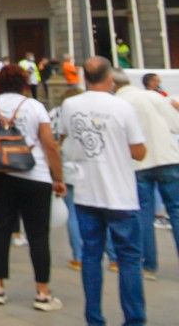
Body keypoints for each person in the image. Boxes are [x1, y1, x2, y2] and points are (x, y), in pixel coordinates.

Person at [57, 58, 146, 326]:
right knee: (129, 258)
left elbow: (63, 138)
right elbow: (138, 151)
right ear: (110, 79)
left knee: (91, 256)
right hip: (120, 193)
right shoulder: (122, 107)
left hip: (86, 192)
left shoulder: (70, 105)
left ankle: (94, 317)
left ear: (85, 78)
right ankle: (134, 318)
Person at [0, 63, 65, 311]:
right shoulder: (34, 106)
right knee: (38, 234)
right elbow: (49, 143)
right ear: (24, 82)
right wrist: (58, 177)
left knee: (1, 229)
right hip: (34, 173)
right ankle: (42, 292)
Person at [115, 66, 179, 282]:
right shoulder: (152, 96)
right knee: (176, 211)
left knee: (144, 214)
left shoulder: (117, 104)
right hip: (167, 157)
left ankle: (149, 266)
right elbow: (176, 125)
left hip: (139, 164)